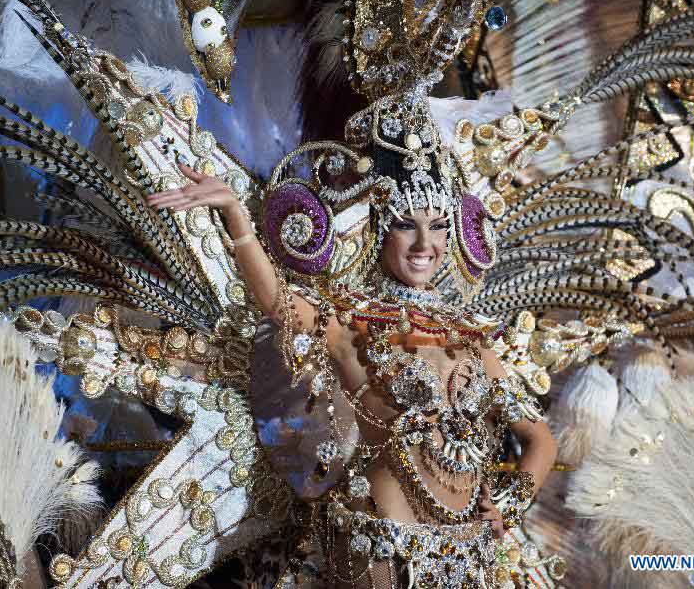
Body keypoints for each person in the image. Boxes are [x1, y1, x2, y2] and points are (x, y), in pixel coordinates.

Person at [147, 157, 558, 587]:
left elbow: (541, 440)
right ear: (379, 228)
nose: (424, 244)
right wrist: (237, 215)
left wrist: (512, 504)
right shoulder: (350, 323)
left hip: (472, 545)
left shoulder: (472, 337)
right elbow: (277, 302)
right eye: (405, 224)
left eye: (438, 226)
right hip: (386, 539)